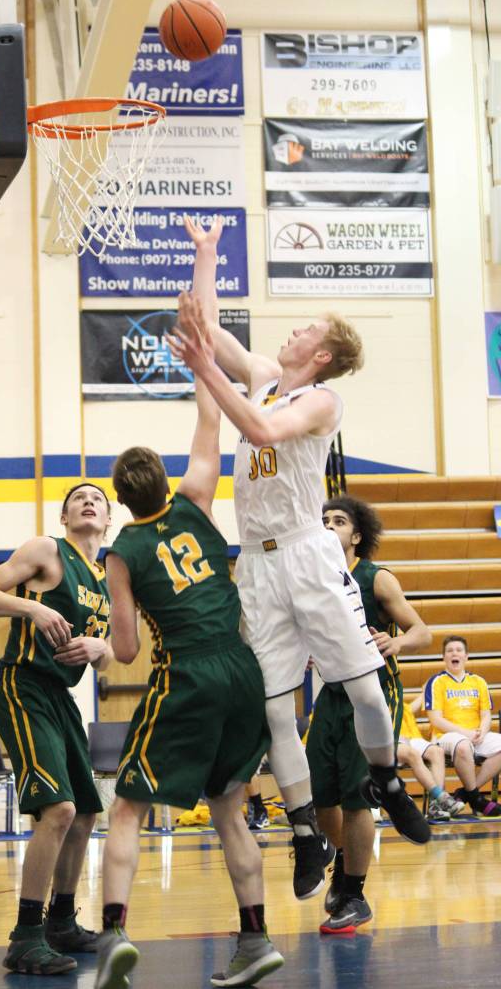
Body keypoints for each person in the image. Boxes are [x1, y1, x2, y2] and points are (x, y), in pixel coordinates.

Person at [169, 223, 431, 901]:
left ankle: (387, 780)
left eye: (305, 328)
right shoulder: (261, 379)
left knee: (366, 691)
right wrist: (206, 257)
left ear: (321, 353)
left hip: (308, 555)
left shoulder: (321, 401)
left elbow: (258, 429)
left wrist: (203, 368)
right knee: (274, 710)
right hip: (256, 566)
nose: (291, 331)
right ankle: (306, 829)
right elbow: (213, 335)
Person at [94, 292, 283, 989]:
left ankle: (113, 932)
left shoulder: (122, 551)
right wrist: (202, 356)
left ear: (120, 498)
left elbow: (125, 651)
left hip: (190, 675)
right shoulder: (196, 498)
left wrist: (118, 626)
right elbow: (210, 417)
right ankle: (255, 939)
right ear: (161, 478)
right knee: (230, 808)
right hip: (243, 666)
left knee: (128, 805)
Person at [0, 484, 114, 975]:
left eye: (98, 499)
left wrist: (101, 650)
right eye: (78, 498)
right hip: (22, 685)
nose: (88, 501)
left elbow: (113, 655)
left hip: (59, 697)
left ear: (108, 519)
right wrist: (33, 607)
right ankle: (26, 938)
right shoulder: (47, 550)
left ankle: (62, 922)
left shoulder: (107, 580)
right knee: (59, 810)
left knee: (86, 812)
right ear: (65, 516)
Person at [306, 495, 433, 935]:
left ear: (357, 536)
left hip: (375, 692)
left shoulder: (376, 578)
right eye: (323, 520)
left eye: (338, 521)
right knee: (321, 797)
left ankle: (355, 894)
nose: (328, 526)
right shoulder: (313, 578)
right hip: (330, 695)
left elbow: (422, 631)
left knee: (357, 797)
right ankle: (344, 862)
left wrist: (397, 642)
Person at [425, 635, 501, 816]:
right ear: (443, 657)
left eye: (459, 650)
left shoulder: (478, 681)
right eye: (450, 651)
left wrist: (482, 731)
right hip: (445, 736)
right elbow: (436, 719)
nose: (454, 653)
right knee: (463, 746)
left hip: (475, 735)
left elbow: (486, 715)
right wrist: (466, 733)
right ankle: (476, 799)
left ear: (466, 656)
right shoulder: (436, 682)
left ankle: (466, 794)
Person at [397, 695, 465, 821]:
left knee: (437, 752)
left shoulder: (394, 694)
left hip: (413, 738)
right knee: (412, 754)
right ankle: (441, 796)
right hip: (393, 739)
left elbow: (409, 708)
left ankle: (436, 805)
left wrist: (425, 692)